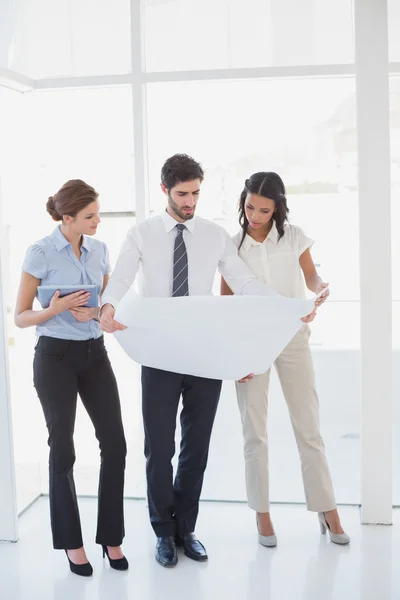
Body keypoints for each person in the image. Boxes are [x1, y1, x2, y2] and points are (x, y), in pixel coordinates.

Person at [100, 154, 317, 568]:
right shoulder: (142, 233)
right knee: (159, 448)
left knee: (196, 448)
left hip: (205, 354)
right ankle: (163, 532)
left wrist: (291, 308)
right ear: (165, 190)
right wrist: (109, 306)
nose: (190, 201)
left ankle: (186, 529)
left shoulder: (214, 235)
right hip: (160, 351)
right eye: (182, 194)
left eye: (196, 193)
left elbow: (246, 282)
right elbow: (123, 277)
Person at [221, 171, 350, 546]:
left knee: (308, 426)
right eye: (249, 207)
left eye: (264, 209)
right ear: (242, 202)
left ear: (277, 207)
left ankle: (327, 508)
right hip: (250, 345)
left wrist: (321, 290)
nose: (256, 215)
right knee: (254, 432)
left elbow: (311, 278)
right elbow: (226, 305)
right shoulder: (231, 247)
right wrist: (233, 357)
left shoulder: (294, 237)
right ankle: (262, 513)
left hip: (293, 338)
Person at [14, 180, 128, 576]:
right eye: (90, 216)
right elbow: (20, 316)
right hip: (55, 358)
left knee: (115, 444)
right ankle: (72, 543)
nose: (98, 221)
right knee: (62, 449)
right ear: (67, 218)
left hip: (95, 354)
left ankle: (111, 538)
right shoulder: (40, 252)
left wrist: (97, 315)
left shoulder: (99, 250)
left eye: (98, 213)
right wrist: (56, 307)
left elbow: (106, 307)